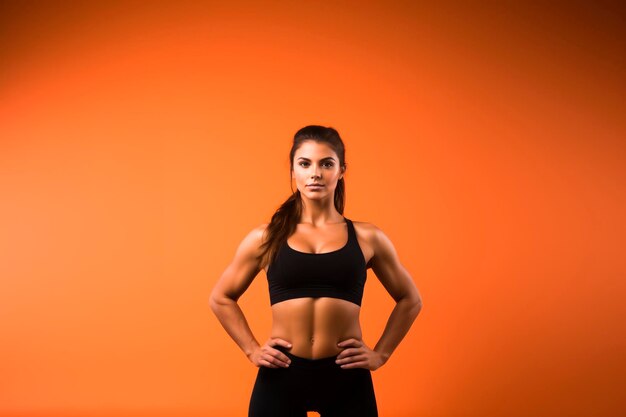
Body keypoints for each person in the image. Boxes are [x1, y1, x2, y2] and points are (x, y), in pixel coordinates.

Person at [209, 125, 423, 417]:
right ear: (293, 171)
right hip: (282, 374)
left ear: (341, 170)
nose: (315, 173)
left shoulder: (367, 237)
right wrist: (252, 349)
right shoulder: (266, 237)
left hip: (346, 376)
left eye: (327, 164)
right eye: (305, 163)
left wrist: (381, 354)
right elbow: (221, 297)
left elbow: (410, 299)